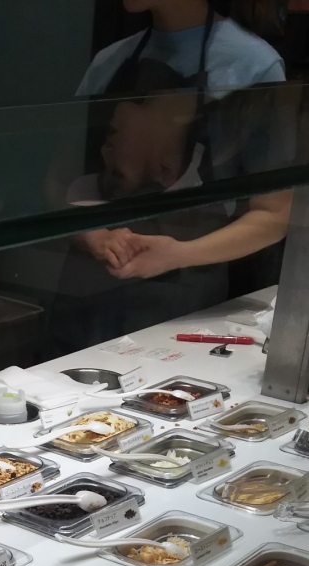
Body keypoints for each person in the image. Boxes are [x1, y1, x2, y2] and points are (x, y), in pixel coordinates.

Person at [47, 0, 291, 352]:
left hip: (185, 308)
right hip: (83, 297)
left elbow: (274, 215)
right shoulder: (109, 62)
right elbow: (58, 183)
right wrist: (92, 235)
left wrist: (176, 254)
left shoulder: (253, 65)